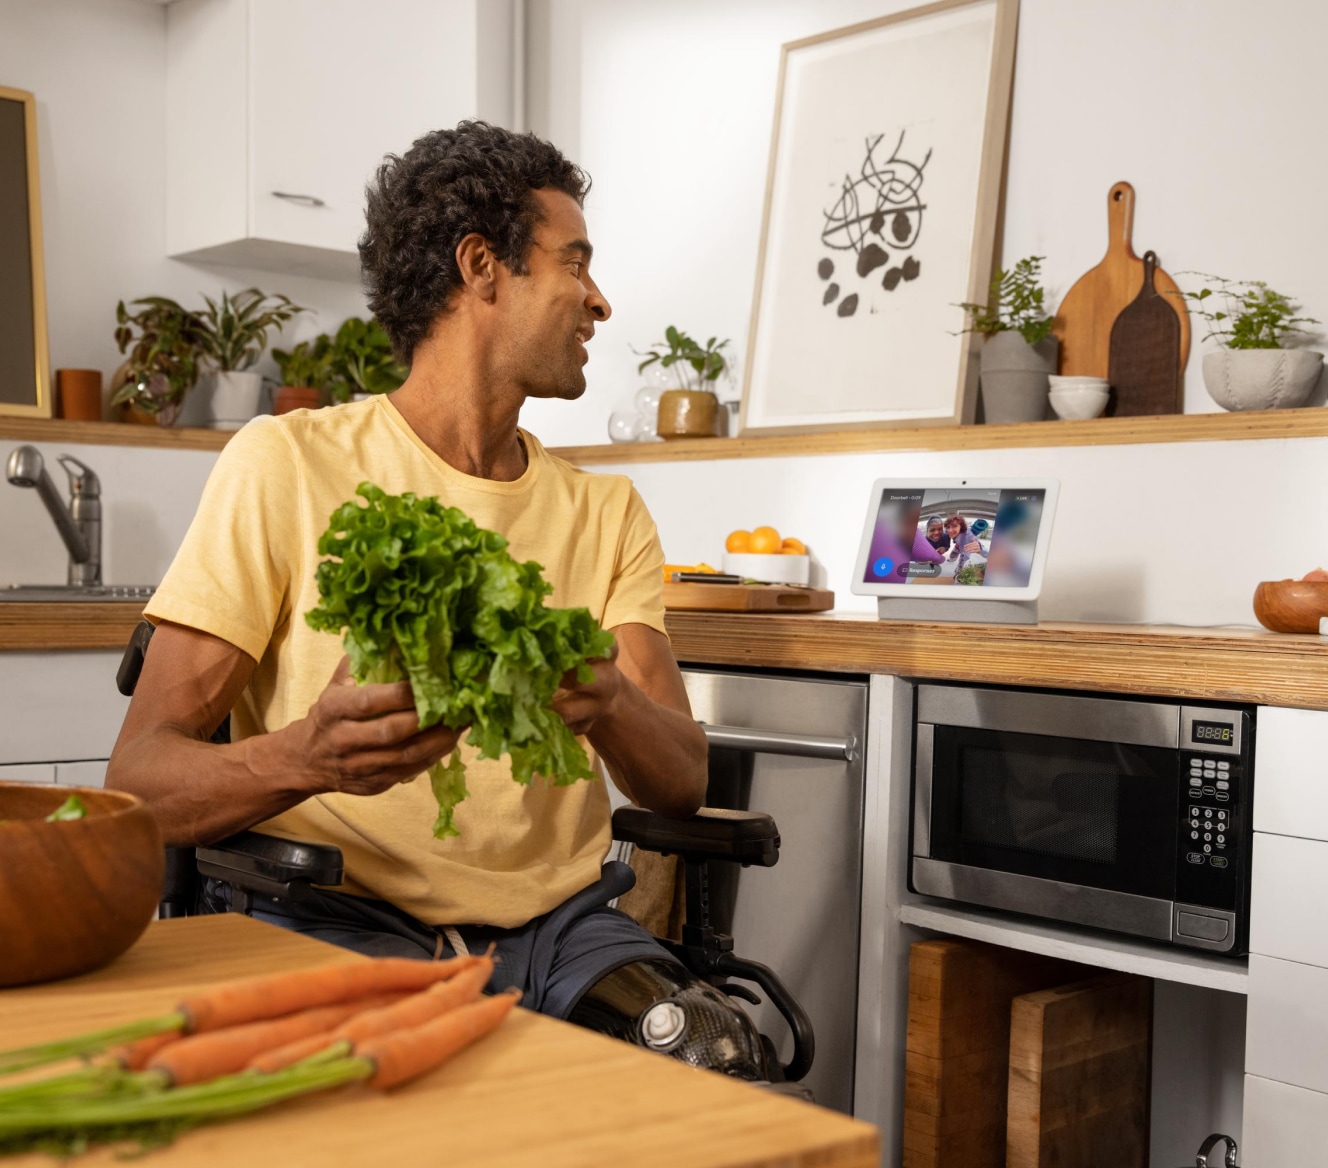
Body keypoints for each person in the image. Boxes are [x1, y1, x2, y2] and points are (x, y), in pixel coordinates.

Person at [107, 123, 773, 1077]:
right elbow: (137, 782)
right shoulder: (286, 465)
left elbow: (680, 783)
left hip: (563, 935)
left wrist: (612, 703)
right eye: (575, 265)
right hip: (337, 917)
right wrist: (306, 757)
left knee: (714, 1058)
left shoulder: (606, 509)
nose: (599, 299)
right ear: (481, 267)